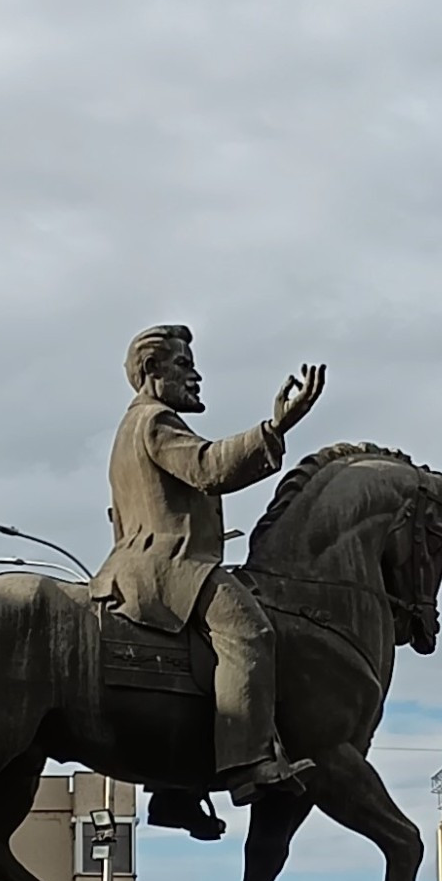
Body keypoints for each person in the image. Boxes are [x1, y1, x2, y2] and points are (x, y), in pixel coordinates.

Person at [90, 325, 324, 806]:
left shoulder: (131, 426)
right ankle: (249, 763)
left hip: (143, 565)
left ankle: (178, 792)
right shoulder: (155, 421)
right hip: (167, 565)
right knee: (248, 633)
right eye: (183, 364)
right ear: (152, 371)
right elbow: (208, 467)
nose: (195, 376)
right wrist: (275, 429)